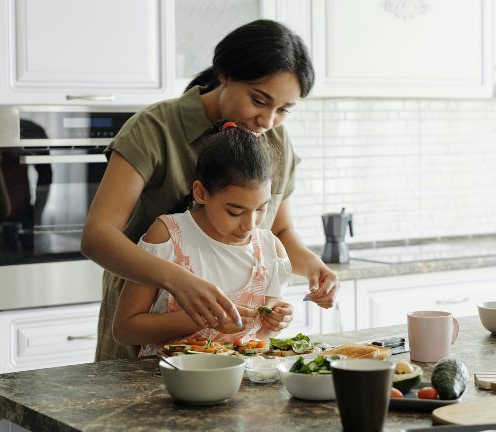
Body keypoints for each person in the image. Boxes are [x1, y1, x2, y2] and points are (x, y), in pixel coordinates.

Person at [81, 19, 340, 361]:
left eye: (283, 110)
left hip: (230, 348)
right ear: (226, 75)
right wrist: (179, 281)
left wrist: (312, 266)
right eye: (259, 100)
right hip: (146, 320)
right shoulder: (155, 129)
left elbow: (278, 229)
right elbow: (97, 236)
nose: (268, 120)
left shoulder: (274, 139)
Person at [113, 122, 293, 356]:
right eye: (235, 211)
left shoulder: (270, 250)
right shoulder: (168, 236)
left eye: (261, 209)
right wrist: (203, 318)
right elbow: (125, 330)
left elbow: (260, 337)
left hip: (240, 381)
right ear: (201, 193)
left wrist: (275, 322)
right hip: (166, 381)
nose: (250, 224)